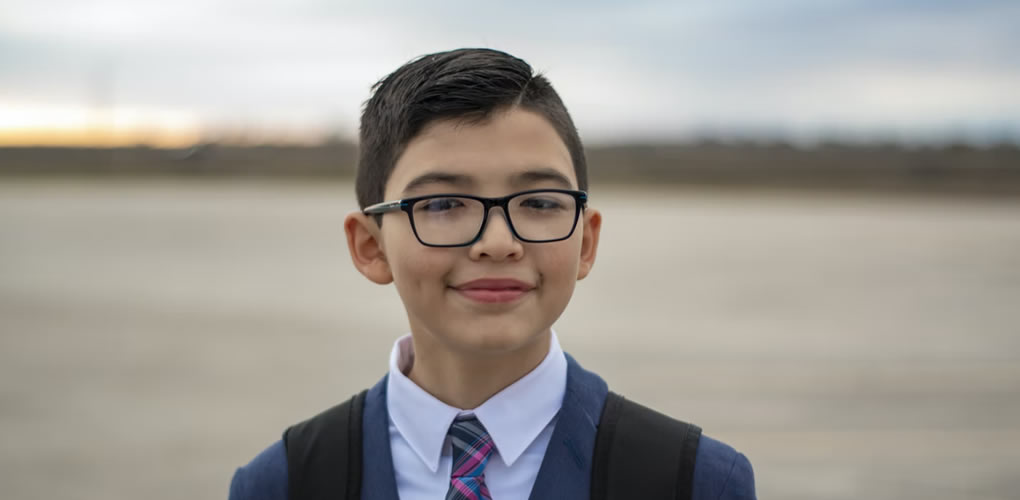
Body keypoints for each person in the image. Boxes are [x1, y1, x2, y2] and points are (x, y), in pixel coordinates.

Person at [229, 47, 755, 500]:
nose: (499, 243)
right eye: (441, 204)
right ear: (371, 247)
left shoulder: (693, 480)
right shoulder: (285, 482)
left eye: (541, 203)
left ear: (586, 242)